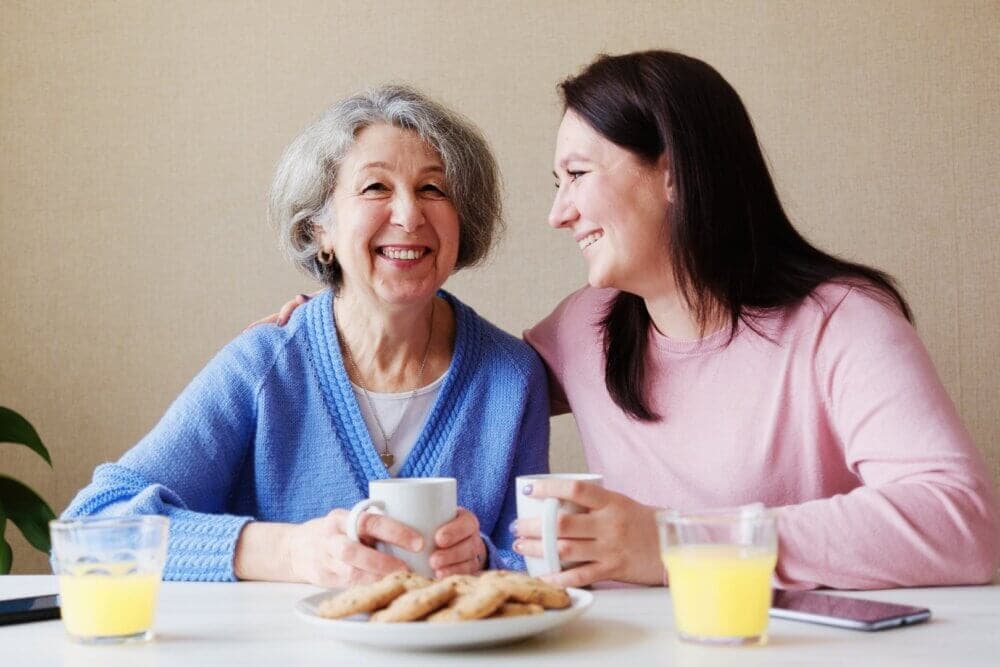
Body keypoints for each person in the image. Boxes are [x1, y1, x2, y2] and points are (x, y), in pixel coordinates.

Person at [261, 51, 1000, 591]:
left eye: (577, 175)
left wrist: (678, 541)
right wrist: (342, 326)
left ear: (675, 170)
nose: (558, 213)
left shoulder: (843, 323)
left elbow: (963, 523)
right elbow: (457, 373)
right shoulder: (586, 330)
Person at [63, 85, 550, 585]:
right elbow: (91, 530)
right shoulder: (264, 365)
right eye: (375, 188)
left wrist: (483, 559)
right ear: (320, 229)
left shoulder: (511, 376)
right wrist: (289, 552)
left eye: (433, 189)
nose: (409, 215)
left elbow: (539, 563)